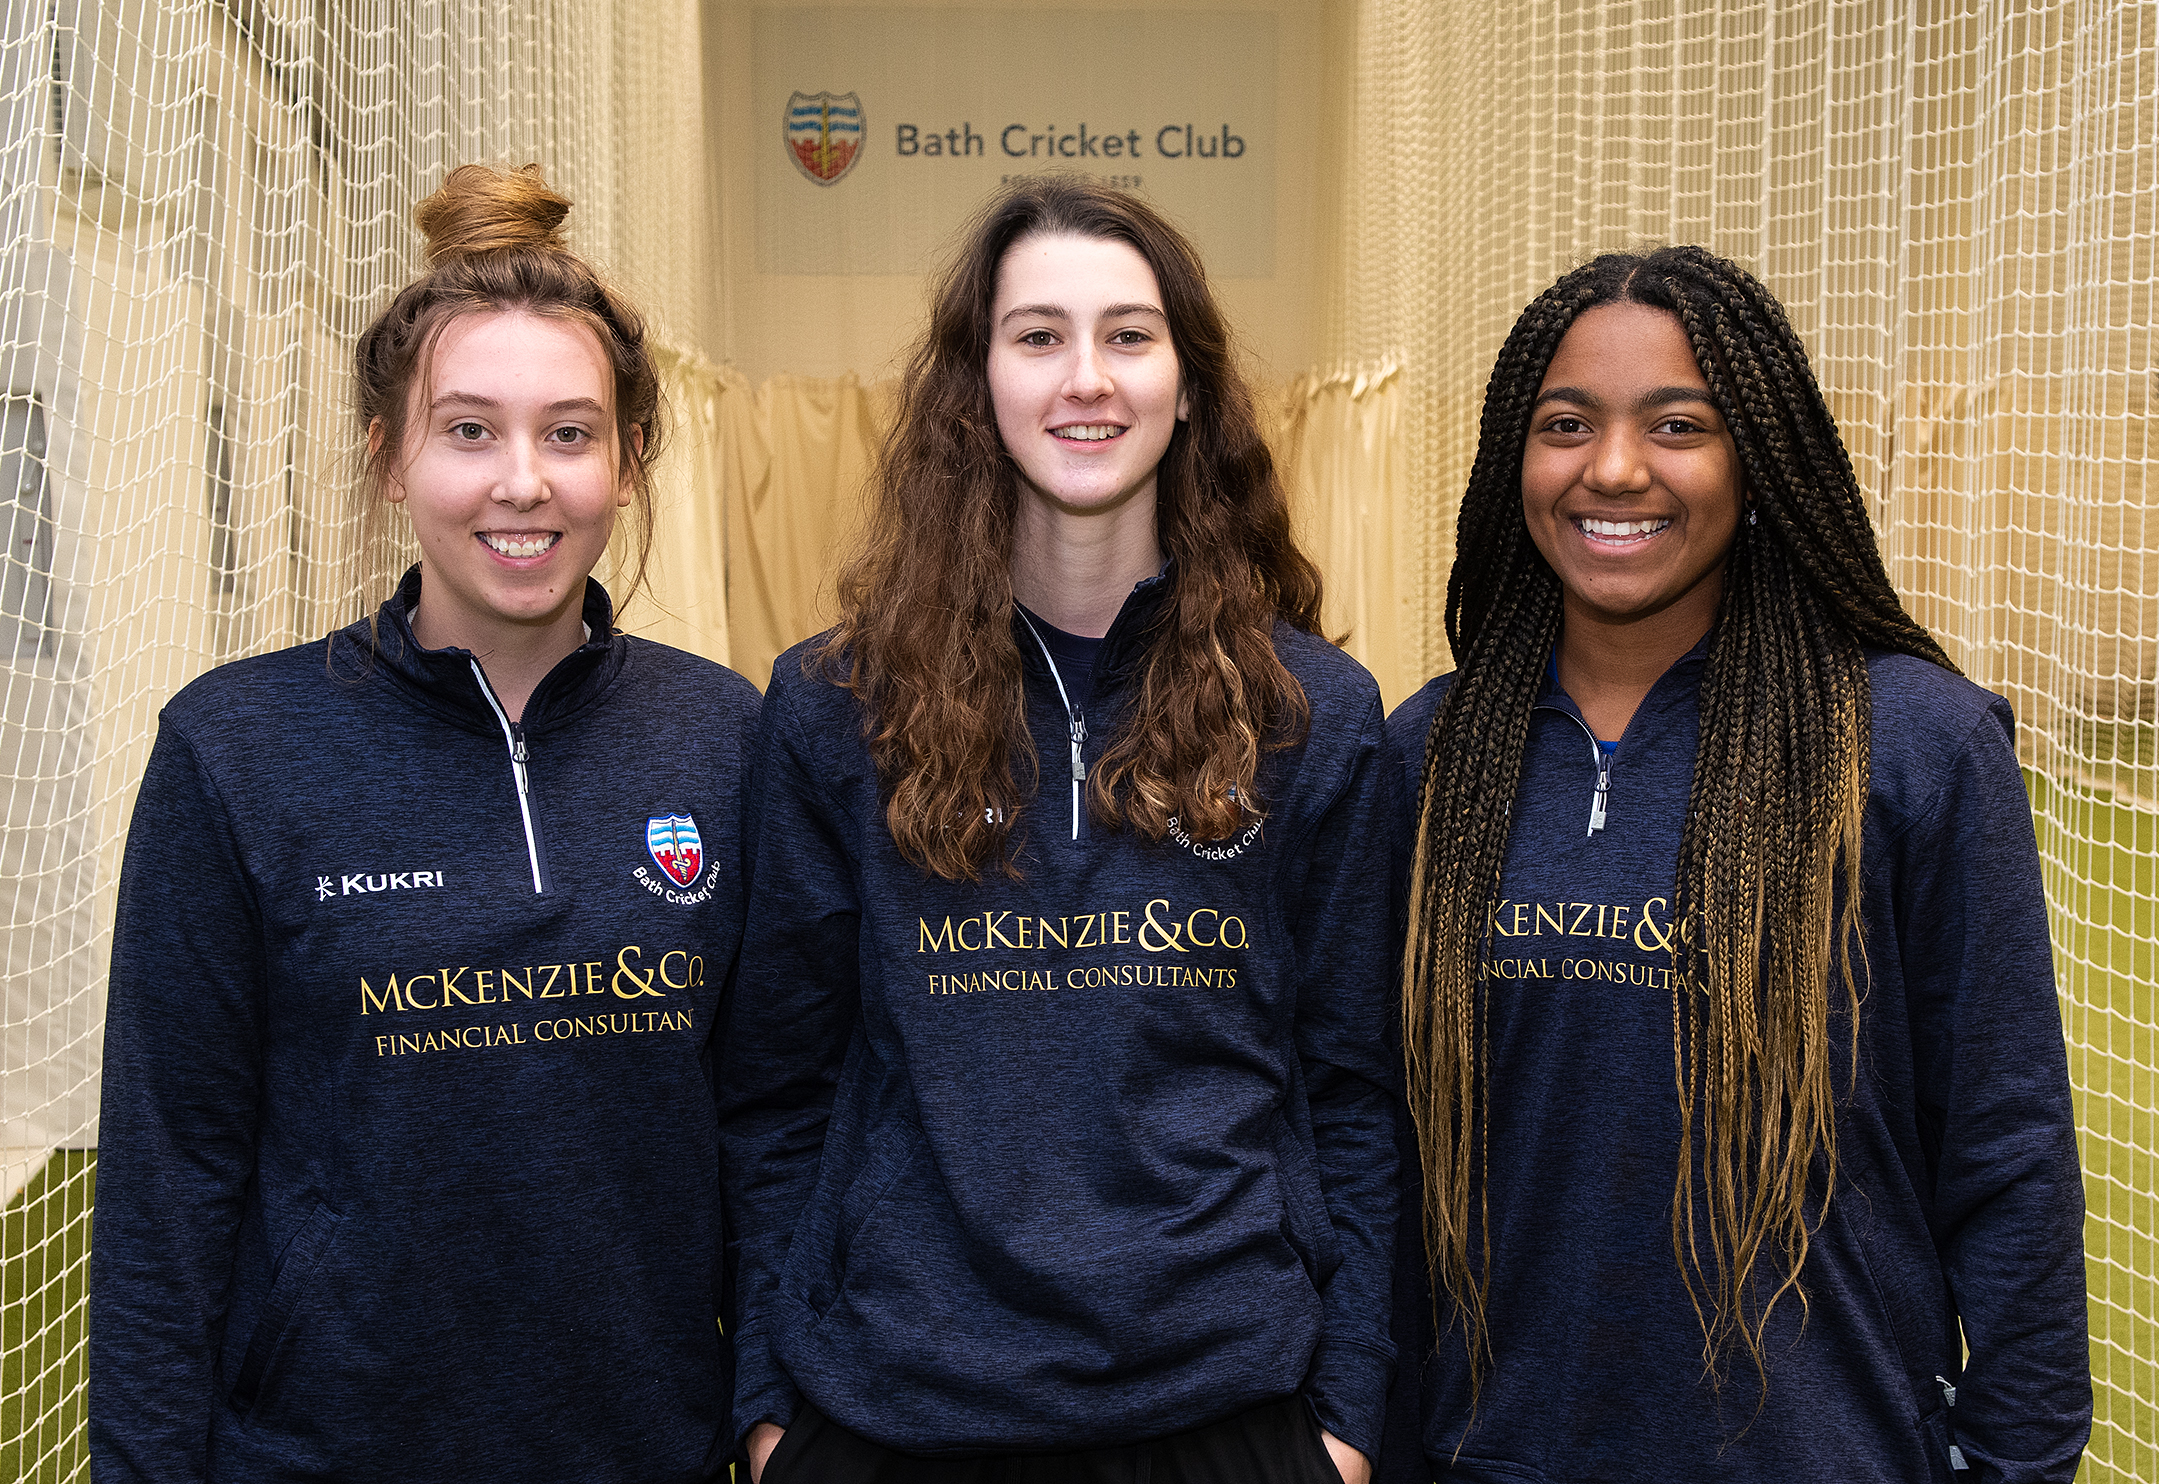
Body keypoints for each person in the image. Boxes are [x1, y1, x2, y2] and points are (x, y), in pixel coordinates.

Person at [720, 176, 1396, 1483]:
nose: (1085, 378)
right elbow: (774, 1093)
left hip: (1227, 1412)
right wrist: (764, 1405)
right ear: (975, 384)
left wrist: (1350, 1420)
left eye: (1128, 337)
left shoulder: (1315, 714)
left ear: (1189, 384)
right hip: (892, 1411)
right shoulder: (831, 706)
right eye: (1037, 336)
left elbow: (1357, 1091)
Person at [89, 164, 758, 1483]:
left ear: (627, 466)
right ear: (388, 458)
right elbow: (169, 1183)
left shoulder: (723, 737)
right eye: (468, 431)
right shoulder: (237, 749)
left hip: (648, 1452)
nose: (523, 482)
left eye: (570, 433)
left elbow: (771, 1128)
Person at [1379, 247, 2091, 1482]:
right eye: (1566, 425)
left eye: (1677, 425)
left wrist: (2018, 1466)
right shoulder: (1429, 754)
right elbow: (1371, 1156)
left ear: (1758, 458)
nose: (1614, 468)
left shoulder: (1914, 745)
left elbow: (2009, 1153)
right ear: (1514, 461)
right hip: (1486, 1456)